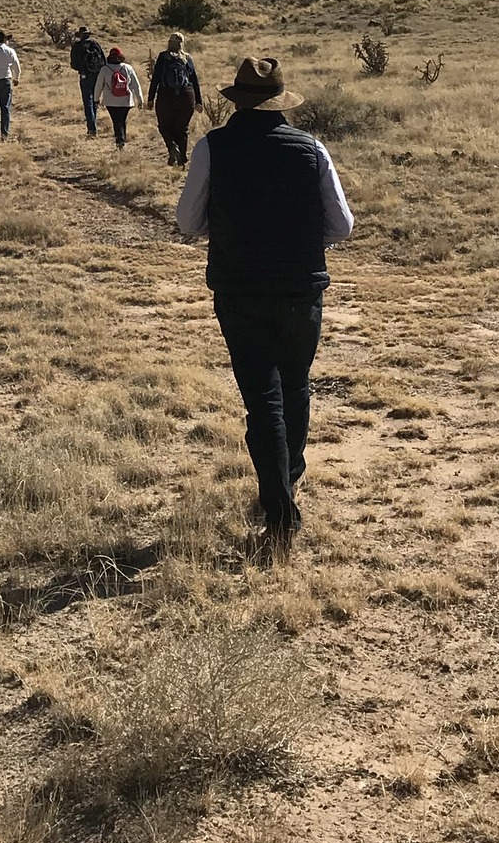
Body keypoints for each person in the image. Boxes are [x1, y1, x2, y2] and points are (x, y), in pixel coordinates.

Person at [175, 56, 353, 545]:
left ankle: (279, 510)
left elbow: (188, 221)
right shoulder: (311, 148)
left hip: (240, 289)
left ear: (237, 99)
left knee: (262, 398)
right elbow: (342, 225)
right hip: (301, 288)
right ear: (280, 101)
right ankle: (286, 483)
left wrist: (228, 229)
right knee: (295, 387)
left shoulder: (213, 147)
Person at [148, 32, 202, 167]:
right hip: (187, 96)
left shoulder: (163, 57)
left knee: (165, 127)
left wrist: (151, 98)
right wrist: (198, 101)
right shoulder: (187, 58)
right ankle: (182, 161)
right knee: (182, 129)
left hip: (166, 96)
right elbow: (194, 80)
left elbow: (156, 78)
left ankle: (172, 147)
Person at [92, 46, 143, 148]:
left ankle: (120, 141)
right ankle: (122, 139)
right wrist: (140, 100)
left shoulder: (104, 69)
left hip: (110, 101)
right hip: (126, 100)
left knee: (116, 121)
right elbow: (136, 85)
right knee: (122, 120)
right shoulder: (128, 68)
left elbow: (98, 85)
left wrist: (96, 99)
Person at [68, 25, 106, 136]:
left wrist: (82, 68)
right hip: (97, 75)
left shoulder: (77, 46)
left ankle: (92, 129)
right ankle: (93, 124)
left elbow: (74, 64)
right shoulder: (95, 44)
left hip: (85, 76)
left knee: (88, 102)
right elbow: (104, 60)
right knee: (95, 100)